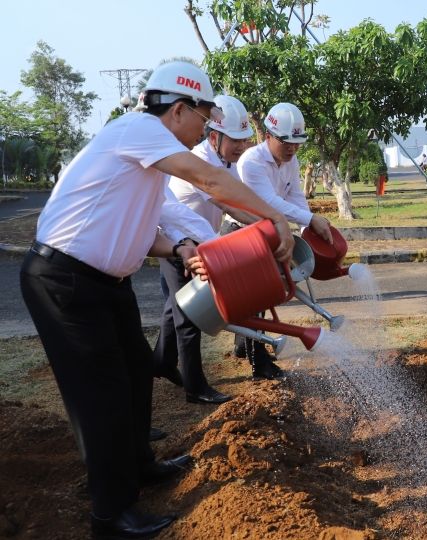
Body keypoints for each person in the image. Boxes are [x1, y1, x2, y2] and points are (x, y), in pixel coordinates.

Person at [19, 61, 295, 540]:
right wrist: (274, 218)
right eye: (204, 119)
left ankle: (139, 466)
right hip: (65, 282)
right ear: (179, 109)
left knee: (135, 375)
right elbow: (208, 180)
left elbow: (146, 230)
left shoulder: (146, 159)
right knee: (103, 396)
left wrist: (183, 249)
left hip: (107, 284)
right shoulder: (138, 129)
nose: (204, 131)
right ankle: (111, 514)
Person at [155, 94, 263, 404]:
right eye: (236, 140)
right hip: (180, 243)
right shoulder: (201, 163)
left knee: (174, 307)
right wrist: (271, 225)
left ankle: (160, 363)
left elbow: (240, 201)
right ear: (214, 136)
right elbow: (232, 205)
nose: (242, 147)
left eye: (245, 139)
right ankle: (195, 388)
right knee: (190, 314)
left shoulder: (226, 162)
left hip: (197, 242)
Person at [225, 101, 333, 378]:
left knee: (259, 300)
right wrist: (310, 220)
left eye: (297, 143)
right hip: (241, 233)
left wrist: (309, 226)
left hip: (267, 234)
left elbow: (295, 196)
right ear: (268, 136)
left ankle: (245, 346)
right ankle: (259, 364)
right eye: (287, 142)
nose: (292, 148)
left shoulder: (290, 160)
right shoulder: (252, 162)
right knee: (256, 298)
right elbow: (268, 202)